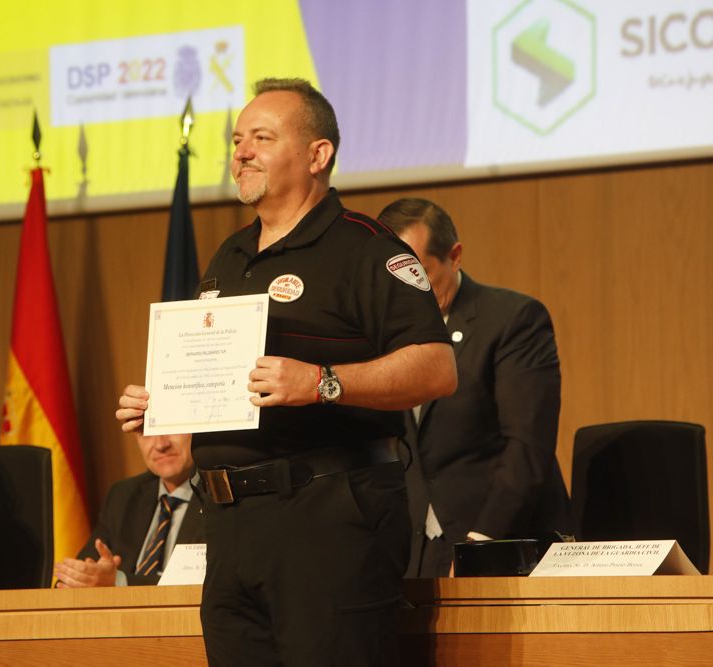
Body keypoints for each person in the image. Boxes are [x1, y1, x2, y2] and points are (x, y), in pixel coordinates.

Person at [116, 79, 456, 666]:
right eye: (237, 140)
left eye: (262, 138)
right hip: (228, 525)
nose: (241, 152)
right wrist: (166, 401)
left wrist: (322, 382)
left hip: (327, 520)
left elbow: (437, 366)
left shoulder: (366, 249)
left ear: (318, 155)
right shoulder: (230, 255)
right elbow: (219, 374)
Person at [378, 198, 573, 577]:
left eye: (422, 279)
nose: (409, 296)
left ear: (455, 256)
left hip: (502, 547)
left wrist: (480, 546)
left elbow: (527, 446)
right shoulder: (382, 333)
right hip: (414, 557)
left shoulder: (513, 320)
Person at [53, 433, 203, 587]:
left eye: (171, 428)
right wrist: (80, 577)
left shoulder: (222, 496)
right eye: (146, 432)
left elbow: (207, 585)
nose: (160, 445)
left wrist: (119, 581)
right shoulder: (124, 495)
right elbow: (79, 574)